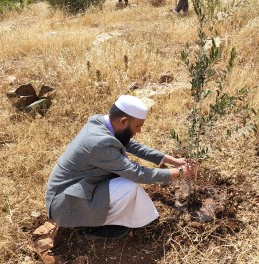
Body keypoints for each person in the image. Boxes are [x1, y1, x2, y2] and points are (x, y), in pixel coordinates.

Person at [45, 95, 195, 240]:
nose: (139, 131)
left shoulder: (101, 123)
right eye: (138, 126)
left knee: (124, 183)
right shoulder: (99, 144)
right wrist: (180, 172)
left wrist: (173, 161)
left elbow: (130, 145)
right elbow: (137, 174)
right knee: (128, 187)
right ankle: (94, 226)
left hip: (74, 191)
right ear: (123, 121)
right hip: (65, 205)